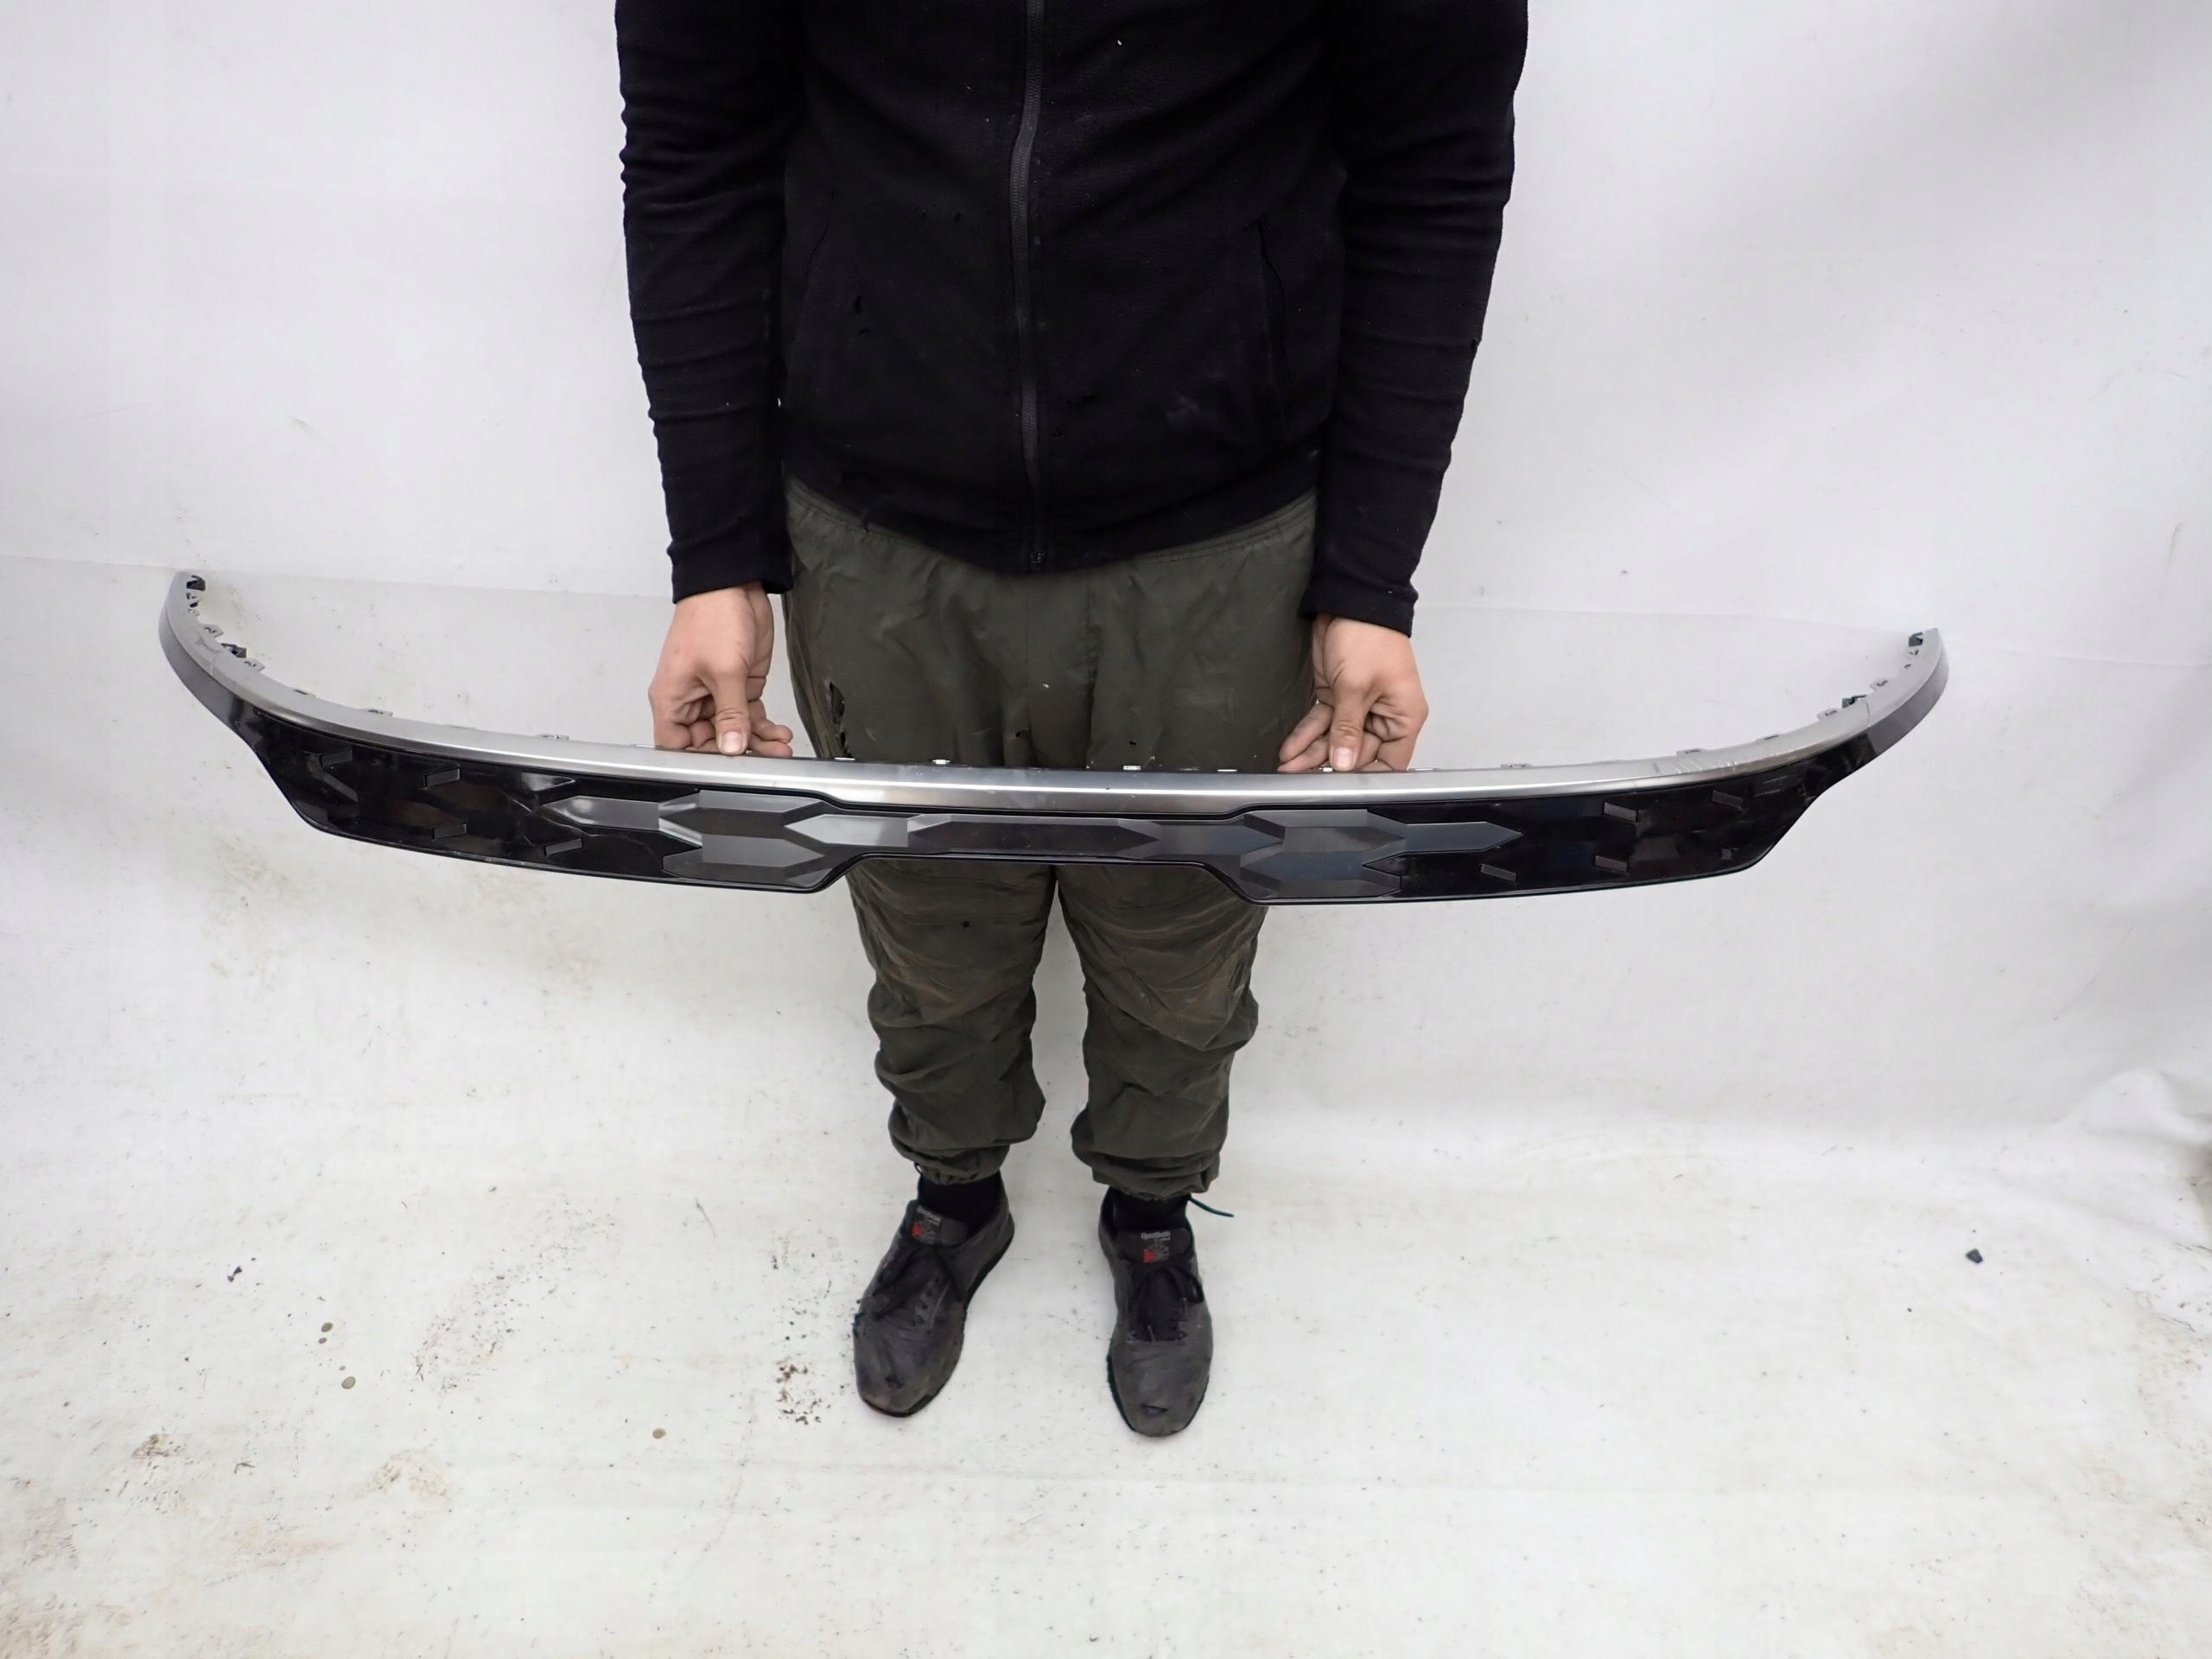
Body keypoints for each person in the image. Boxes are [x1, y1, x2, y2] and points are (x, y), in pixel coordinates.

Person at [614, 0, 1527, 1435]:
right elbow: (694, 149)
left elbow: (1433, 171)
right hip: (878, 519)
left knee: (1182, 940)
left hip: (1220, 533)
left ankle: (1151, 1211)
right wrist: (717, 554)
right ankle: (955, 1192)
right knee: (928, 923)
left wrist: (1368, 578)